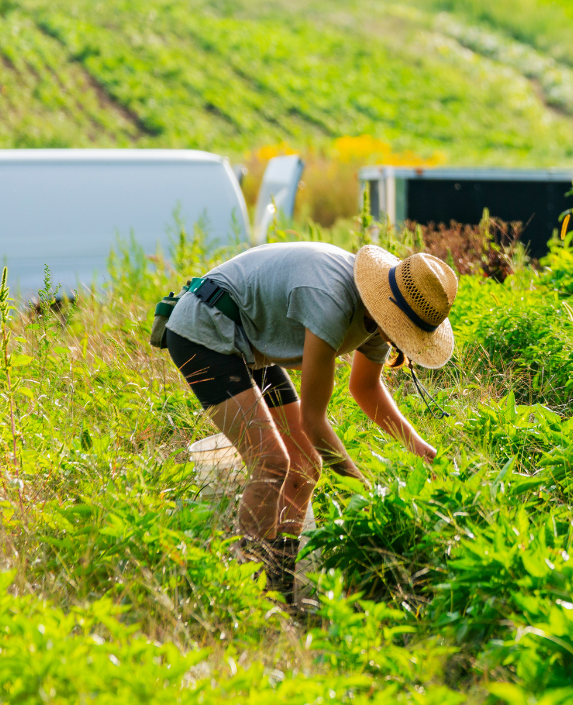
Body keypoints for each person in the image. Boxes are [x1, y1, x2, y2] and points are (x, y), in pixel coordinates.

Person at [163, 242, 457, 603]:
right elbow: (313, 421)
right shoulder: (331, 301)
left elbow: (364, 388)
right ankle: (242, 592)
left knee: (305, 464)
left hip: (251, 340)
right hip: (206, 326)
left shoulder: (382, 319)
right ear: (390, 308)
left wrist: (416, 445)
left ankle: (279, 586)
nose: (400, 340)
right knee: (271, 462)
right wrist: (364, 491)